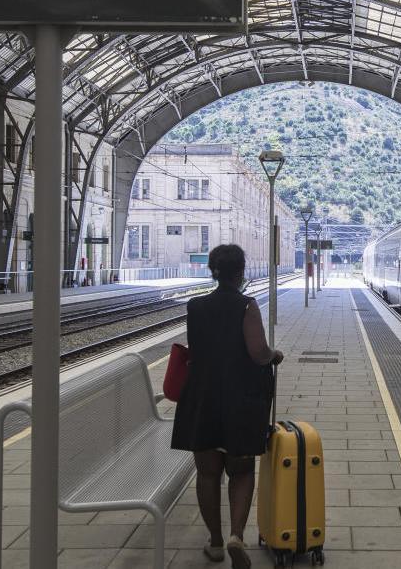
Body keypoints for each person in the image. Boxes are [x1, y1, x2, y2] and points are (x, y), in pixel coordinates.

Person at [171, 244, 283, 569]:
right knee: (241, 470)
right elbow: (258, 352)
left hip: (202, 397)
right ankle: (236, 534)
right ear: (240, 272)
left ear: (212, 270)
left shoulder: (195, 306)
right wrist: (273, 356)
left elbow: (201, 348)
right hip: (240, 401)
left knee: (207, 473)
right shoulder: (247, 306)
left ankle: (216, 543)